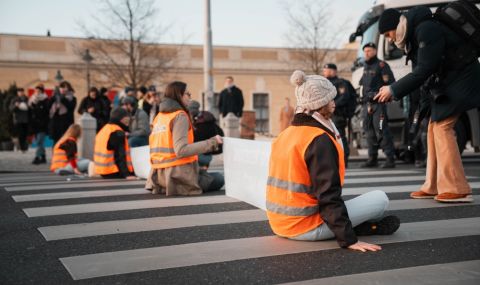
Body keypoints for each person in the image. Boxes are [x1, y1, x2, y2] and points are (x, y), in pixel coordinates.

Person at [266, 70, 400, 252]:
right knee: (380, 199)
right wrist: (349, 240)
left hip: (279, 224)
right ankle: (358, 228)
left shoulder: (285, 135)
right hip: (306, 227)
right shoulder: (318, 138)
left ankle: (343, 226)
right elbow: (328, 195)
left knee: (344, 205)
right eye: (330, 99)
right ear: (319, 103)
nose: (334, 103)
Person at [374, 7, 480, 202]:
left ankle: (458, 188)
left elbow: (424, 70)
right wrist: (423, 108)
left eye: (387, 34)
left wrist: (393, 89)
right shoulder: (414, 35)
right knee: (432, 127)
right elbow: (424, 76)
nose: (389, 39)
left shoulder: (425, 29)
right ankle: (432, 185)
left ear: (396, 25)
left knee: (442, 127)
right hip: (450, 81)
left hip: (463, 78)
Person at [149, 81, 224, 196]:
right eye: (188, 94)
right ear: (179, 95)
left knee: (206, 173)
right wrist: (212, 142)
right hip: (178, 175)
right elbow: (181, 150)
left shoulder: (159, 117)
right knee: (220, 178)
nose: (190, 97)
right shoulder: (180, 115)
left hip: (159, 175)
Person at [359, 43, 396, 168]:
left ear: (375, 51)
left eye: (369, 50)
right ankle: (372, 158)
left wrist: (378, 95)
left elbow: (390, 83)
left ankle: (390, 159)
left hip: (378, 104)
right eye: (365, 51)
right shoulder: (365, 67)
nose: (367, 53)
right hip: (367, 105)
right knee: (368, 132)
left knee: (381, 130)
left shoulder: (382, 65)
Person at [323, 63, 357, 167]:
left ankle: (343, 160)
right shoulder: (324, 83)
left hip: (338, 114)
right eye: (324, 70)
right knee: (328, 138)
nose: (324, 72)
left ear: (333, 71)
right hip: (327, 115)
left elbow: (344, 97)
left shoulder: (341, 83)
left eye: (327, 70)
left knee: (340, 137)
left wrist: (332, 106)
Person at [93, 107, 136, 179]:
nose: (128, 119)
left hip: (102, 171)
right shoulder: (117, 132)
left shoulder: (104, 129)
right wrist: (127, 174)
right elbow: (120, 155)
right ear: (122, 118)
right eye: (127, 117)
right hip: (113, 171)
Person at [188, 100, 225, 168]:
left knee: (185, 156)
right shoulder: (206, 120)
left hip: (204, 157)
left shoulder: (200, 126)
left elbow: (194, 144)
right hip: (209, 154)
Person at [29, 84, 50, 164]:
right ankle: (43, 157)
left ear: (42, 91)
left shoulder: (45, 100)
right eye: (36, 90)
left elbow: (46, 113)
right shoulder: (32, 100)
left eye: (39, 91)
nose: (37, 92)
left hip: (42, 125)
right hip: (35, 125)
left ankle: (37, 157)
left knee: (39, 142)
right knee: (40, 142)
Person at [9, 87, 29, 152]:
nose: (20, 93)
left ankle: (24, 146)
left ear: (23, 92)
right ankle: (22, 147)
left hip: (26, 120)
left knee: (25, 134)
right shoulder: (14, 100)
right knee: (20, 134)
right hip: (18, 120)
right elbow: (11, 109)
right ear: (17, 93)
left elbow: (30, 108)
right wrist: (16, 106)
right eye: (19, 92)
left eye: (22, 92)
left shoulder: (26, 99)